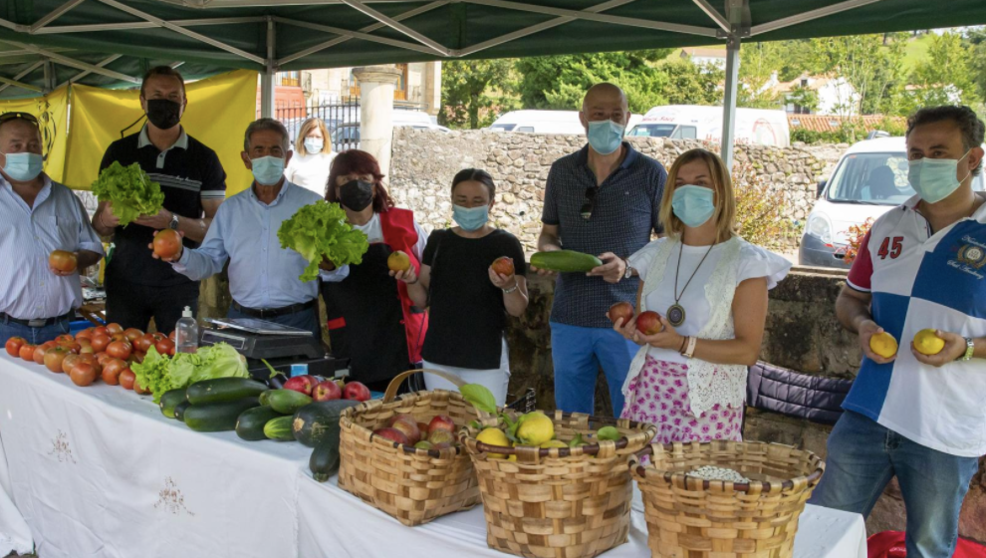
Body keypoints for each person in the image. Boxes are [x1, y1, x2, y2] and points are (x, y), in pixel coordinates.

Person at [810, 105, 986, 558]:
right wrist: (863, 324)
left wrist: (966, 348)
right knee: (819, 534)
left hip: (945, 427)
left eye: (938, 152)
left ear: (972, 158)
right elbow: (850, 299)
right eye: (915, 153)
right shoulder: (889, 225)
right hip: (868, 413)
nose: (924, 163)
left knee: (927, 549)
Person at [613, 149, 790, 443]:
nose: (688, 192)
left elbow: (747, 351)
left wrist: (681, 343)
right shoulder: (654, 255)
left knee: (697, 474)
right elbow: (649, 332)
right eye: (680, 184)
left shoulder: (746, 261)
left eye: (700, 182)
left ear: (721, 192)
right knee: (644, 472)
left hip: (707, 406)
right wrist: (636, 333)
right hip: (650, 394)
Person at [535, 82, 667, 416]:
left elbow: (670, 245)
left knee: (633, 415)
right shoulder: (562, 171)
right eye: (598, 114)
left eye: (616, 115)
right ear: (582, 118)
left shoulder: (651, 174)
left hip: (630, 321)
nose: (608, 121)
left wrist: (628, 266)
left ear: (628, 118)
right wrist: (549, 253)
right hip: (570, 316)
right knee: (570, 420)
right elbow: (548, 234)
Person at [152, 119, 326, 338]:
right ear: (246, 159)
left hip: (297, 321)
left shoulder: (312, 205)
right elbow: (208, 261)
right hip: (243, 321)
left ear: (287, 157)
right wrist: (179, 255)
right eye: (259, 150)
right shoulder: (231, 210)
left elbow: (335, 269)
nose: (267, 157)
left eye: (275, 150)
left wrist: (330, 263)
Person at [92, 66, 226, 335]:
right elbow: (99, 226)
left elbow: (217, 227)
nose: (165, 102)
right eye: (157, 96)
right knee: (119, 355)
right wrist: (106, 219)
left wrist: (171, 221)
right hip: (124, 282)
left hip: (180, 282)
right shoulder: (119, 152)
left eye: (173, 97)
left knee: (178, 355)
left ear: (184, 102)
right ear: (142, 101)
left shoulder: (204, 158)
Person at [403, 169, 529, 406]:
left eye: (477, 201)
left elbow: (517, 308)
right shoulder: (438, 241)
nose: (469, 207)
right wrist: (410, 280)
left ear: (491, 203)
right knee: (441, 424)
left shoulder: (506, 244)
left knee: (487, 424)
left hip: (486, 359)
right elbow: (422, 299)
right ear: (452, 201)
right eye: (462, 200)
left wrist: (509, 285)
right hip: (438, 358)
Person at [320, 150, 428, 394]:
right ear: (336, 189)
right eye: (347, 180)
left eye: (364, 179)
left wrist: (413, 278)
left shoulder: (405, 223)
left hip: (402, 338)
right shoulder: (325, 231)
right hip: (353, 338)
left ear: (376, 186)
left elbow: (431, 272)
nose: (356, 185)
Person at [0, 112, 104, 345]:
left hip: (58, 329)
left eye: (33, 145)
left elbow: (93, 246)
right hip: (3, 328)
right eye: (16, 146)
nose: (27, 152)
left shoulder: (65, 197)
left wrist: (77, 259)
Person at [285, 117, 335, 196]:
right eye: (310, 136)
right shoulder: (293, 158)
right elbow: (286, 187)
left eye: (318, 137)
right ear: (303, 137)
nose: (314, 140)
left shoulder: (332, 158)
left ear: (324, 138)